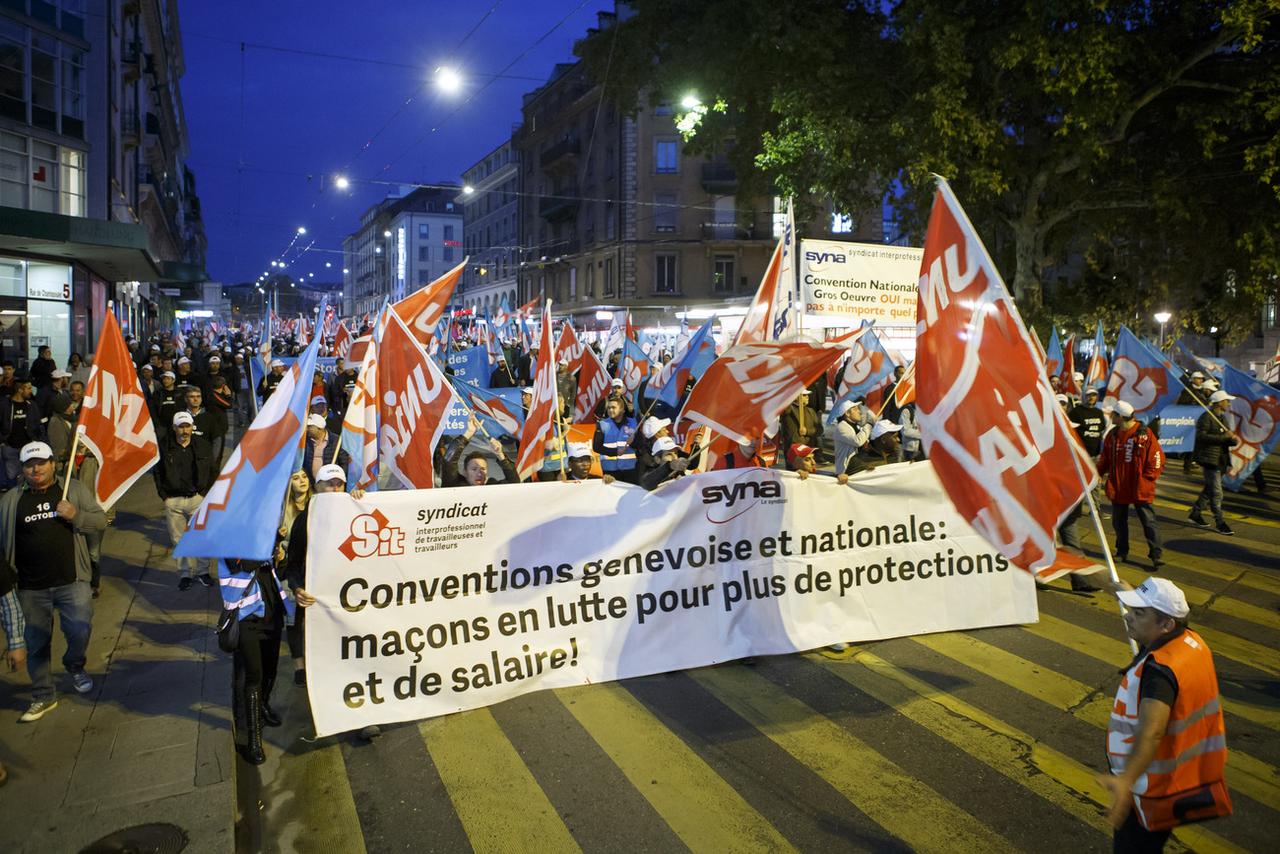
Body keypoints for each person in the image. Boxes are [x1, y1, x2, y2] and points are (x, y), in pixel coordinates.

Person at [1098, 578, 1232, 851]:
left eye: (1138, 613)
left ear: (1166, 625)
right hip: (1181, 777)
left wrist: (1125, 782)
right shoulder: (1190, 641)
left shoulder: (1160, 673)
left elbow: (1152, 731)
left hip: (1148, 787)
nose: (1127, 616)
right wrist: (1102, 576)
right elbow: (1128, 592)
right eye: (1131, 609)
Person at [0, 441, 106, 722]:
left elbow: (100, 521)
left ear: (53, 464)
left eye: (41, 462)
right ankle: (43, 695)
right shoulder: (10, 501)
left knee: (80, 630)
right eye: (29, 464)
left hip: (72, 582)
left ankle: (74, 665)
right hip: (30, 588)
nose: (36, 469)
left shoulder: (73, 490)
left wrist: (76, 516)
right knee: (36, 643)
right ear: (22, 469)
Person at [1097, 401, 1165, 571]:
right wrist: (1097, 473)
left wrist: (1148, 478)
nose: (1111, 417)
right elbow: (1105, 458)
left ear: (1120, 417)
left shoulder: (1145, 434)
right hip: (1119, 486)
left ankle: (1156, 555)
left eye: (1113, 414)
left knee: (1148, 521)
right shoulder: (1113, 435)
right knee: (1119, 522)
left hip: (1139, 487)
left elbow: (1157, 458)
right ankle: (1121, 551)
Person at [155, 412, 216, 590]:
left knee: (202, 537)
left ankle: (203, 572)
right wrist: (164, 495)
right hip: (173, 501)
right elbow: (157, 473)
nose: (184, 430)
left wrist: (205, 494)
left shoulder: (203, 446)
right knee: (179, 540)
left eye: (187, 426)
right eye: (181, 426)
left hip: (197, 498)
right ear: (174, 428)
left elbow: (212, 471)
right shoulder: (164, 447)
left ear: (192, 427)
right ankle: (185, 574)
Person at [1188, 390, 1238, 536]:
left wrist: (1232, 439)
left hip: (1221, 459)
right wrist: (1224, 437)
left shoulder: (1222, 418)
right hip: (1210, 460)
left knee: (1209, 489)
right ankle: (1220, 522)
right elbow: (1201, 436)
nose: (1228, 403)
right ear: (1219, 402)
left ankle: (1195, 514)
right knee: (1217, 493)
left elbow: (1226, 437)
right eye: (1226, 401)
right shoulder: (1207, 417)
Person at [443, 416, 518, 486]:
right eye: (474, 469)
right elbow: (449, 462)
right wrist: (469, 433)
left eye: (483, 469)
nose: (479, 474)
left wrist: (500, 455)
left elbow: (515, 484)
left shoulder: (492, 487)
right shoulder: (455, 485)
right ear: (465, 472)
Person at [0, 376, 43, 487]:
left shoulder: (32, 405)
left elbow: (38, 425)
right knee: (11, 475)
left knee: (28, 475)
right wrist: (3, 441)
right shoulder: (4, 404)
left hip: (28, 447)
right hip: (9, 446)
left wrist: (38, 440)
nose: (31, 391)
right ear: (20, 390)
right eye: (28, 388)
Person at [593, 396, 638, 483]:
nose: (610, 410)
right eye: (609, 408)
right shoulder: (602, 424)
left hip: (630, 470)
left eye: (613, 407)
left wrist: (634, 442)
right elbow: (596, 447)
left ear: (622, 409)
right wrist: (615, 452)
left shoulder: (633, 423)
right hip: (610, 470)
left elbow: (641, 444)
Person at [827, 398, 871, 474]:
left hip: (857, 466)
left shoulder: (856, 426)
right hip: (846, 471)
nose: (859, 412)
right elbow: (857, 441)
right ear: (847, 413)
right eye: (855, 409)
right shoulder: (842, 427)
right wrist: (868, 426)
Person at [780, 390, 821, 468]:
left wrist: (807, 431)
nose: (807, 397)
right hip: (794, 451)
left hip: (809, 449)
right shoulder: (788, 410)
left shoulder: (811, 411)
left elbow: (819, 430)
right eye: (804, 395)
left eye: (807, 395)